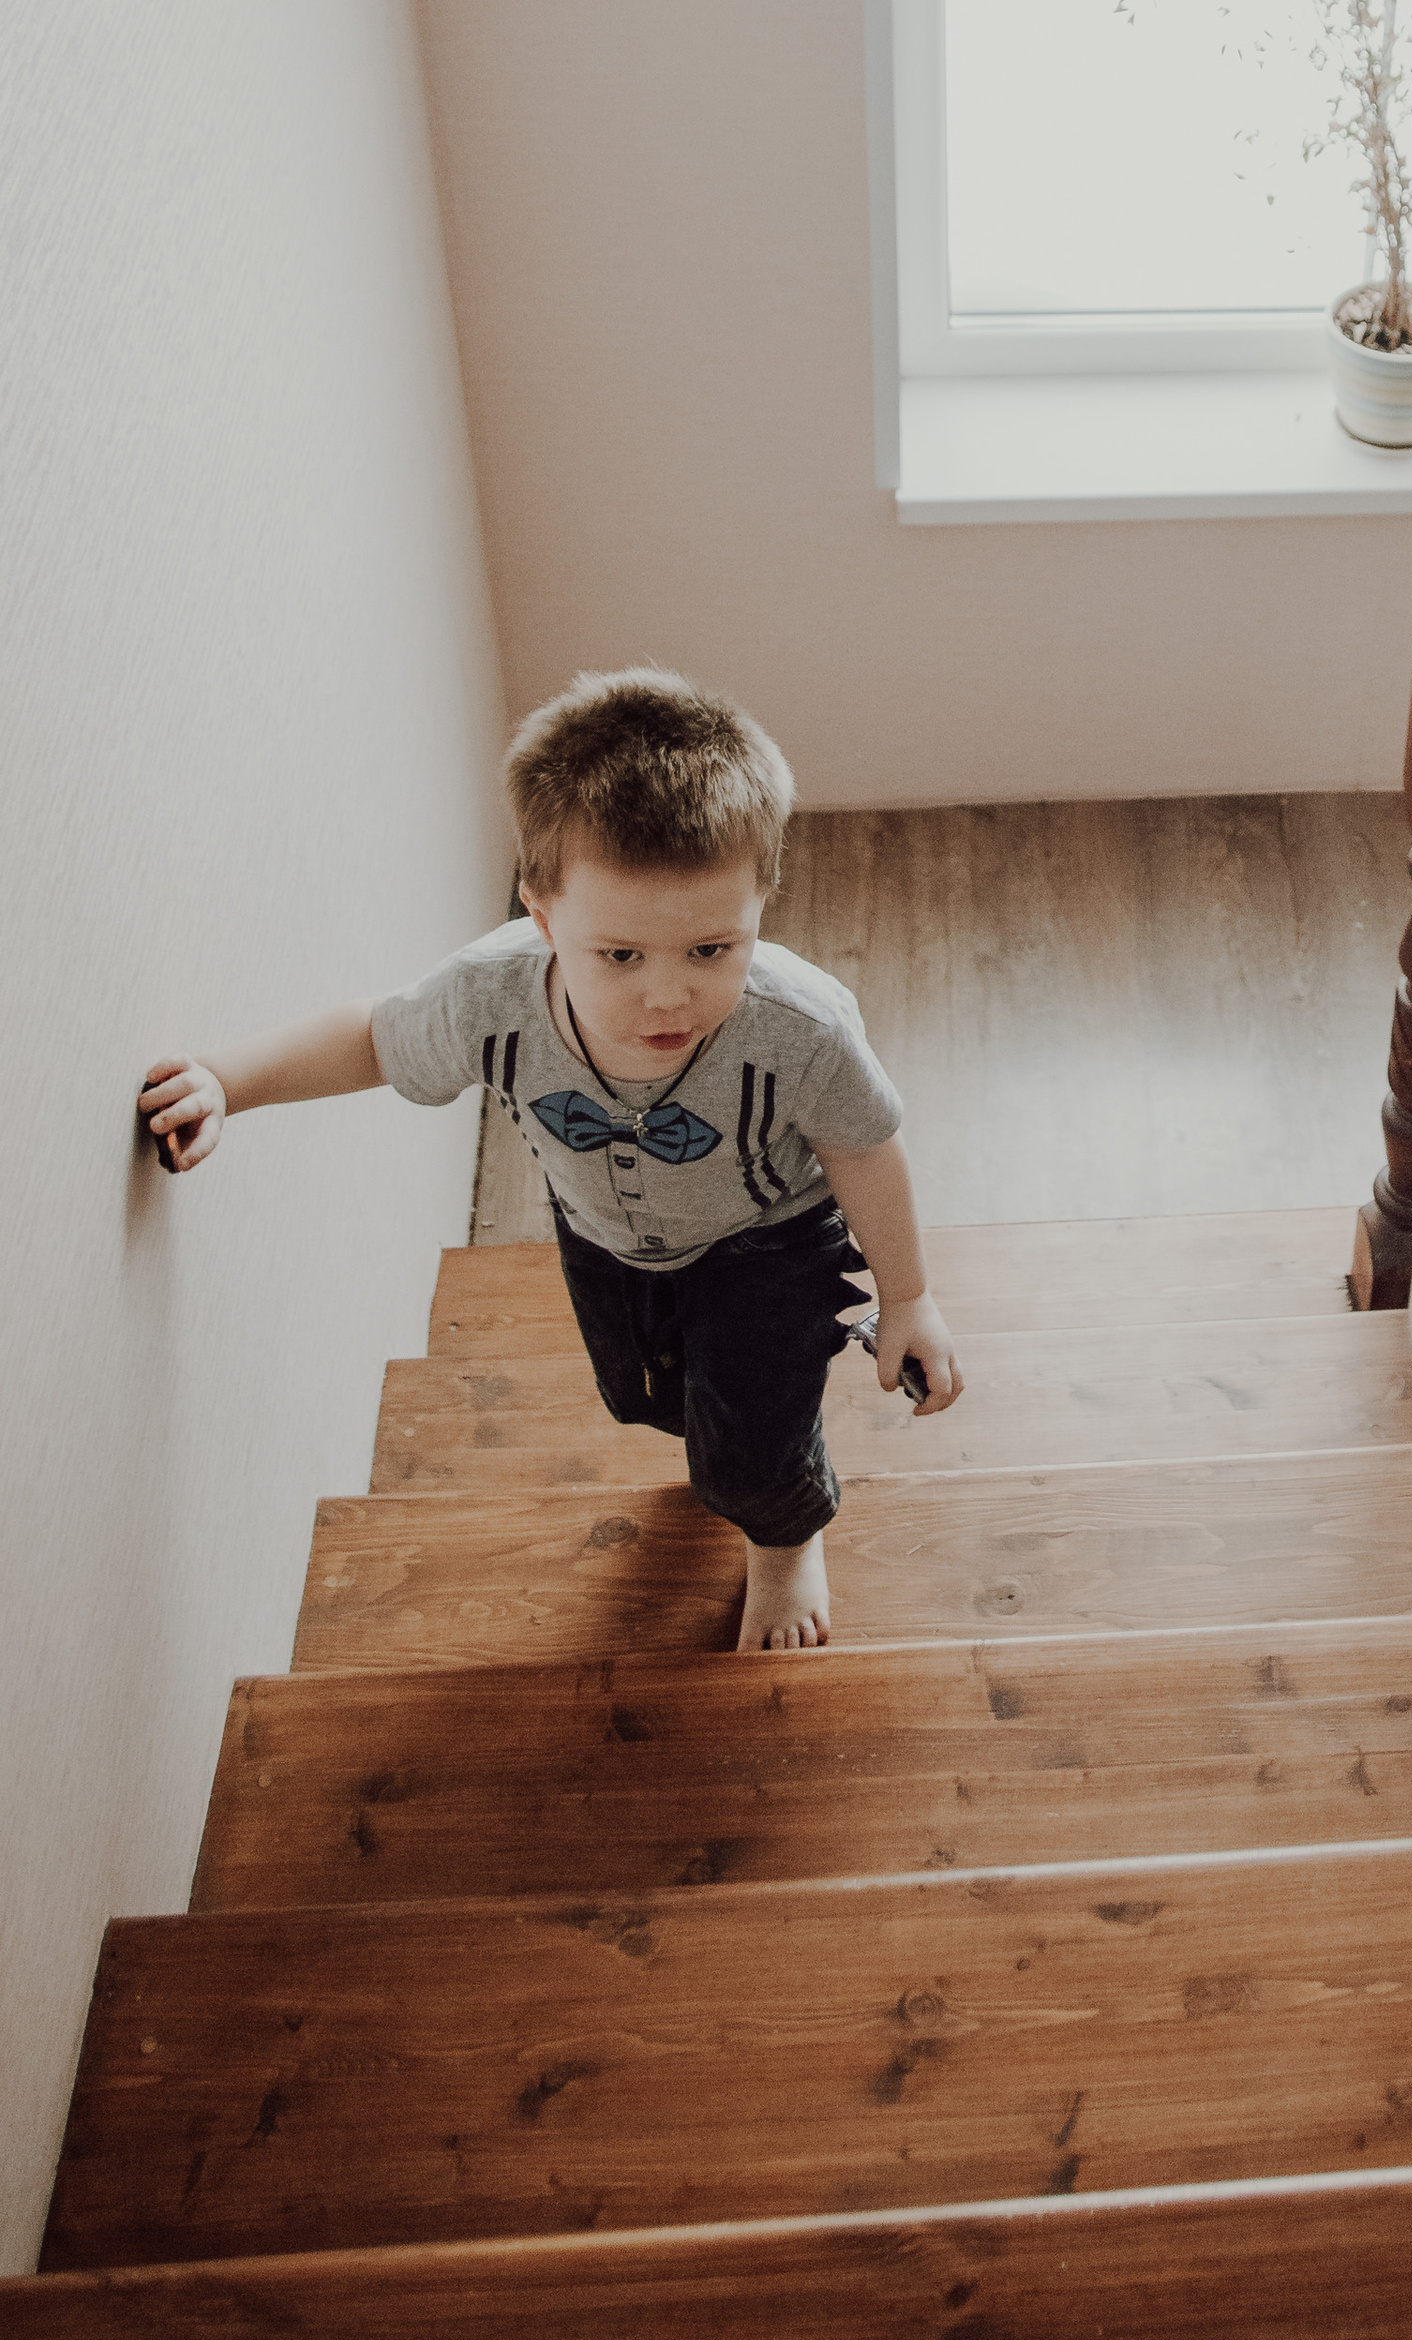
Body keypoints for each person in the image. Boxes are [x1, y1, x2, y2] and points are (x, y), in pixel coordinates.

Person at [137, 670, 961, 1655]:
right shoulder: (490, 1000)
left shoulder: (800, 1028)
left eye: (712, 949)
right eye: (620, 956)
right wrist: (227, 1079)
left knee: (750, 1441)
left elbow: (864, 1148)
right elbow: (370, 1039)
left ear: (761, 902)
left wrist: (908, 1297)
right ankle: (727, 1444)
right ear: (540, 913)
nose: (670, 998)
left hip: (765, 1243)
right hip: (603, 1235)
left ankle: (783, 1536)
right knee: (639, 1397)